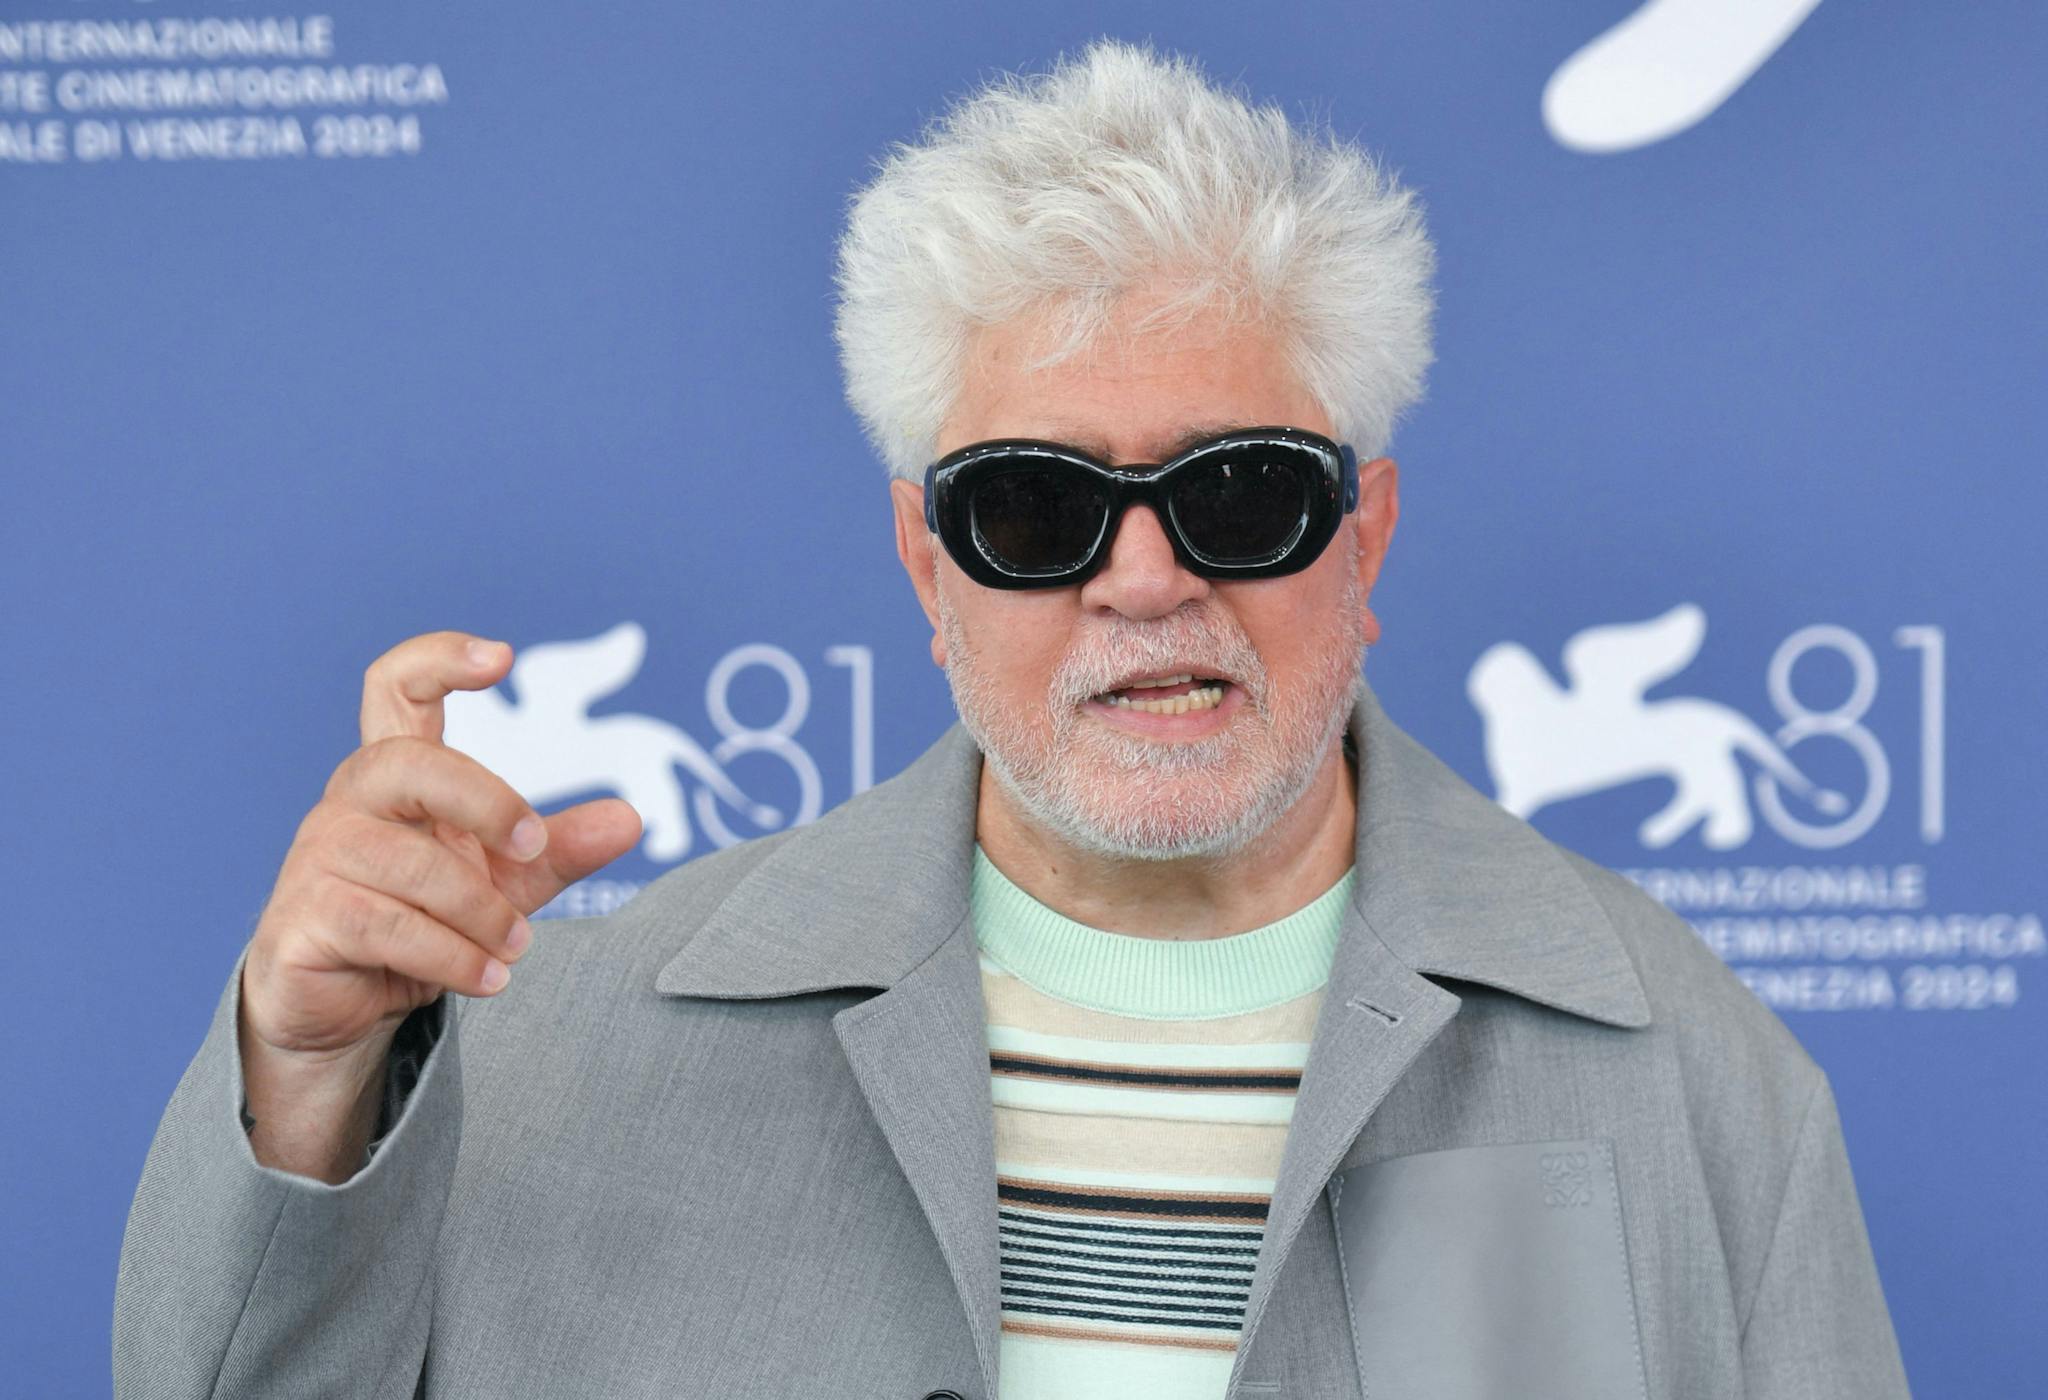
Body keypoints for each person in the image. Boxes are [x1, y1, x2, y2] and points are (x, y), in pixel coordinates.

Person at [114, 38, 1910, 1400]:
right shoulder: (553, 1059)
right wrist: (312, 1080)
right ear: (925, 560)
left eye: (1244, 495)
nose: (1143, 581)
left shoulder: (1690, 1075)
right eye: (1036, 511)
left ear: (1364, 534)